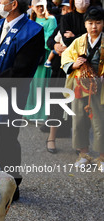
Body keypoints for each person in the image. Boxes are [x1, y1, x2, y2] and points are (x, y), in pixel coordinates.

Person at [0, 0, 45, 200]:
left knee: (6, 138)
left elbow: (24, 69)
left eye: (2, 0)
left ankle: (11, 186)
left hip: (11, 93)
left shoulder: (32, 31)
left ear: (14, 3)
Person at [61, 6, 104, 170]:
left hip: (100, 88)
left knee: (100, 122)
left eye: (98, 23)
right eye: (90, 23)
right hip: (80, 85)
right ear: (85, 24)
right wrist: (73, 64)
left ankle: (102, 157)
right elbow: (65, 57)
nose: (94, 27)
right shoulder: (78, 41)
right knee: (79, 121)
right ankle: (83, 153)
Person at [44, 0, 72, 154]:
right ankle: (51, 138)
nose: (65, 12)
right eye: (63, 9)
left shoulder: (85, 21)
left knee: (75, 106)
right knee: (55, 101)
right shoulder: (61, 23)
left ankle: (81, 147)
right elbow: (50, 40)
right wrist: (55, 46)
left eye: (68, 9)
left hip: (77, 70)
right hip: (59, 69)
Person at [24, 0, 57, 121]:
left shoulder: (51, 20)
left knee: (42, 85)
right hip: (32, 57)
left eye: (42, 6)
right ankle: (29, 113)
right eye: (37, 6)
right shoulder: (30, 20)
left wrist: (36, 37)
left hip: (44, 57)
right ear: (32, 7)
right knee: (31, 86)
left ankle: (41, 115)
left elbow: (50, 41)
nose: (40, 9)